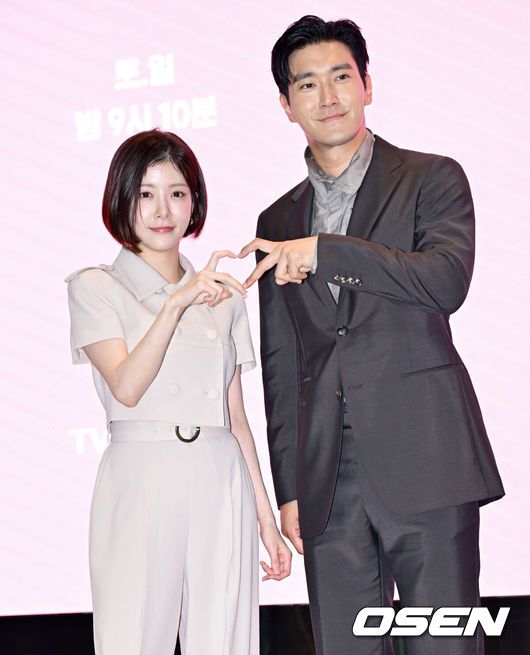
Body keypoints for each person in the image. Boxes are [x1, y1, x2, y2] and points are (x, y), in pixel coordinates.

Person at [239, 15, 504, 655]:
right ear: (286, 104)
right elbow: (283, 365)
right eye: (307, 84)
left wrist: (327, 252)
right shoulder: (276, 219)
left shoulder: (431, 177)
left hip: (427, 460)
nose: (327, 96)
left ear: (367, 85)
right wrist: (291, 488)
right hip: (329, 480)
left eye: (341, 77)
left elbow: (445, 281)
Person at [65, 129, 291, 655]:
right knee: (133, 637)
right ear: (121, 198)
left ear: (195, 201)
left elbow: (236, 419)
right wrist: (175, 304)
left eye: (177, 192)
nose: (162, 210)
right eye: (145, 193)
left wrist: (266, 517)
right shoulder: (96, 286)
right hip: (141, 472)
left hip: (220, 474)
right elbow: (127, 386)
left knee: (225, 640)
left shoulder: (225, 298)